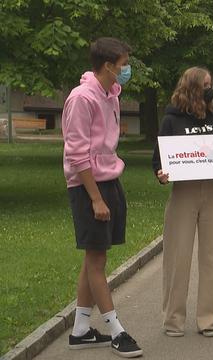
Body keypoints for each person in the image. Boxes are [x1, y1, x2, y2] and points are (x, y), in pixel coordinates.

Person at [62, 37, 143, 358]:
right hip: (87, 186)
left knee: (94, 255)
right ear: (108, 66)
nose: (127, 70)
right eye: (123, 65)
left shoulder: (111, 94)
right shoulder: (82, 99)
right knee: (97, 261)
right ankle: (116, 331)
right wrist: (95, 198)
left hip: (109, 180)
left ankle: (80, 330)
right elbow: (77, 155)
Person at [152, 67, 213, 338]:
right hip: (183, 192)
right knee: (177, 256)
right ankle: (173, 319)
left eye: (212, 83)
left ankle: (210, 319)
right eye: (205, 85)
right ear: (191, 87)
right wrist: (161, 174)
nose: (210, 88)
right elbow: (159, 158)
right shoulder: (171, 119)